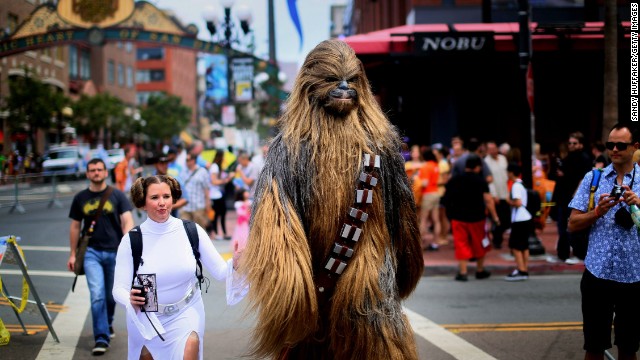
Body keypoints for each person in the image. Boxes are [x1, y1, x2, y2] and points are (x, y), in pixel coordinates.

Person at [112, 175, 247, 360]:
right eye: (154, 198)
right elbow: (118, 288)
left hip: (187, 310)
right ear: (142, 203)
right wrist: (129, 299)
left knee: (189, 348)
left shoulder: (191, 230)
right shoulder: (132, 239)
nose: (162, 203)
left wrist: (236, 263)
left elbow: (222, 272)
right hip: (147, 317)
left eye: (166, 197)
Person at [567, 122, 640, 360]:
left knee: (629, 349)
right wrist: (597, 212)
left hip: (634, 276)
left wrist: (637, 204)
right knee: (594, 347)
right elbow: (572, 223)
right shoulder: (594, 178)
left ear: (635, 146)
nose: (615, 149)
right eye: (611, 144)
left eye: (621, 144)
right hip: (597, 274)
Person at [67, 158, 134, 355]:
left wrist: (126, 246)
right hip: (90, 253)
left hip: (115, 252)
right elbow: (74, 226)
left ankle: (108, 322)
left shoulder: (118, 195)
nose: (96, 173)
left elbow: (127, 220)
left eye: (99, 169)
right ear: (88, 174)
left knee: (111, 296)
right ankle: (102, 337)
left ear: (105, 172)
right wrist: (72, 254)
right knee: (97, 295)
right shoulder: (80, 198)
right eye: (92, 170)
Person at [442, 154, 499, 282]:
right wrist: (495, 217)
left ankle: (463, 272)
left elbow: (446, 199)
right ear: (478, 167)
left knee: (461, 244)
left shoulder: (454, 180)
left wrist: (450, 215)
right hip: (477, 217)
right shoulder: (480, 181)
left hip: (458, 217)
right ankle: (480, 270)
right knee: (480, 243)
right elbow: (488, 200)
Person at [552, 131, 593, 264]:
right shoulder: (569, 157)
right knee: (562, 226)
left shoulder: (584, 158)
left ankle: (576, 253)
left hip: (572, 198)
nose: (571, 145)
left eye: (574, 143)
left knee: (571, 226)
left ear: (581, 144)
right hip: (563, 197)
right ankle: (563, 253)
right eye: (569, 143)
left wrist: (576, 196)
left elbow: (583, 179)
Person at [504, 163, 533, 281]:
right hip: (526, 217)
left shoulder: (515, 186)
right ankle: (524, 269)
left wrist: (508, 201)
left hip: (519, 219)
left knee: (515, 246)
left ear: (511, 172)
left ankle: (521, 270)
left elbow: (518, 202)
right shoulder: (521, 184)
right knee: (524, 246)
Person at [484, 141, 511, 249]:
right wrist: (493, 195)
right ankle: (497, 240)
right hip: (494, 195)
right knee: (496, 218)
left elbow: (507, 176)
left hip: (505, 193)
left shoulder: (503, 159)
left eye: (494, 148)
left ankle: (497, 235)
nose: (493, 151)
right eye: (490, 149)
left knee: (505, 219)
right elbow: (489, 180)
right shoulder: (486, 162)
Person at [417, 148, 441, 251]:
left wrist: (416, 180)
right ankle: (436, 243)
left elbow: (425, 183)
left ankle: (420, 244)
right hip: (436, 192)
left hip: (427, 194)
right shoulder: (436, 165)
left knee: (423, 220)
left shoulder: (425, 167)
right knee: (436, 220)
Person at [180, 154, 211, 229]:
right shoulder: (183, 171)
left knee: (199, 230)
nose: (186, 162)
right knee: (185, 230)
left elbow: (206, 189)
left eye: (188, 160)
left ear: (193, 161)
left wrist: (208, 204)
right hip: (185, 206)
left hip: (198, 206)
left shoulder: (202, 172)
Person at [208, 150, 232, 240]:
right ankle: (216, 233)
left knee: (221, 213)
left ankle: (221, 233)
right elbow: (213, 181)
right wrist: (225, 180)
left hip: (218, 193)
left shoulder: (216, 166)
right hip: (215, 194)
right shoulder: (214, 167)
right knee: (218, 214)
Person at [231, 189, 250, 255]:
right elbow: (240, 212)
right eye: (245, 192)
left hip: (248, 221)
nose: (247, 193)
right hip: (242, 223)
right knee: (241, 234)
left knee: (247, 233)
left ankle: (246, 246)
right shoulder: (238, 203)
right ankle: (240, 246)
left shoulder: (249, 202)